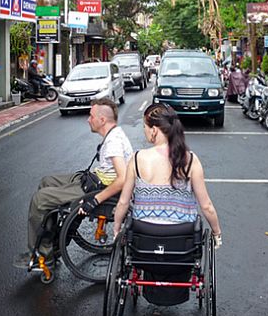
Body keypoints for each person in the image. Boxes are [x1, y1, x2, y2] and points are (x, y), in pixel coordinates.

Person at [26, 98, 133, 262]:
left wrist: (94, 201)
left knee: (39, 200)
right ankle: (52, 240)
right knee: (46, 181)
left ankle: (42, 254)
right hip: (93, 180)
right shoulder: (114, 134)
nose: (88, 120)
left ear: (102, 120)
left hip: (97, 189)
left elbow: (123, 179)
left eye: (91, 116)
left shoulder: (114, 142)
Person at [113, 103, 222, 246]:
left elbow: (123, 202)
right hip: (182, 240)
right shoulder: (190, 160)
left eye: (144, 127)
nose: (144, 131)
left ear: (154, 130)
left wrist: (116, 229)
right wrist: (216, 233)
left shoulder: (137, 158)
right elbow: (206, 206)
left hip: (143, 239)